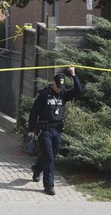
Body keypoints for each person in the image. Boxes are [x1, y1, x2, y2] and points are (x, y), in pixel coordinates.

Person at [27, 66, 83, 195]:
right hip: (44, 130)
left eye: (61, 87)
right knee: (50, 158)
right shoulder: (44, 94)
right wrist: (31, 130)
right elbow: (34, 112)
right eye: (57, 86)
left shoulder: (64, 94)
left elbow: (79, 89)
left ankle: (36, 169)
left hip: (57, 130)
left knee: (51, 156)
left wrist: (73, 74)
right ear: (53, 82)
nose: (59, 89)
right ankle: (49, 186)